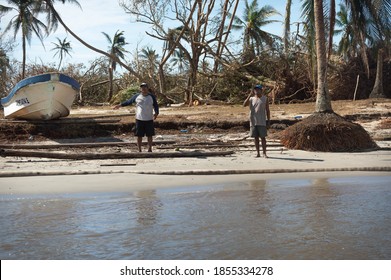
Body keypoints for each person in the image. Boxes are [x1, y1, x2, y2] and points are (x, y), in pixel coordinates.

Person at [113, 83, 159, 152]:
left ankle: (150, 149)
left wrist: (156, 113)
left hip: (149, 119)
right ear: (140, 89)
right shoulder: (137, 96)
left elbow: (156, 105)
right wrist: (120, 105)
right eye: (142, 88)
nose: (143, 89)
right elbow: (128, 101)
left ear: (147, 88)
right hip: (139, 119)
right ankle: (139, 149)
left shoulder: (152, 97)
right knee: (139, 135)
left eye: (145, 87)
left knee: (150, 135)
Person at [243, 84, 271, 158]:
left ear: (261, 90)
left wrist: (268, 121)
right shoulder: (251, 99)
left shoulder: (265, 98)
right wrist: (249, 95)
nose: (256, 91)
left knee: (263, 137)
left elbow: (267, 110)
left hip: (262, 121)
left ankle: (264, 153)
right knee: (255, 138)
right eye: (255, 89)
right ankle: (258, 153)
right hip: (253, 121)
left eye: (258, 89)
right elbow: (244, 104)